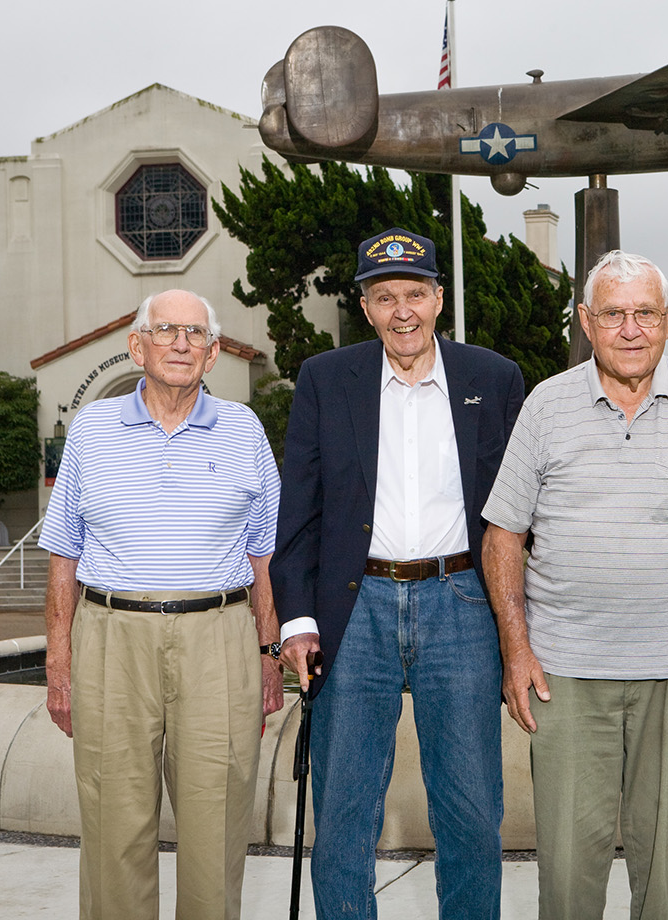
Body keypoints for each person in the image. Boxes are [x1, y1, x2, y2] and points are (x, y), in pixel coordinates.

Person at [482, 249, 668, 920]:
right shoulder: (547, 405)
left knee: (666, 873)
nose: (630, 329)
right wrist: (517, 651)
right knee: (568, 876)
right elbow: (502, 537)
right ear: (586, 322)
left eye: (645, 313)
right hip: (566, 676)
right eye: (613, 314)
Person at [271, 228, 524, 920]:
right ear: (365, 307)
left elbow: (520, 513)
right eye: (385, 297)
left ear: (439, 298)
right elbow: (299, 510)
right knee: (344, 813)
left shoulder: (493, 378)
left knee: (472, 810)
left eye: (415, 293)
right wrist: (298, 621)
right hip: (356, 611)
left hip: (461, 602)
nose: (402, 310)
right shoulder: (326, 379)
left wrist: (520, 628)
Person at [41, 289, 284, 920]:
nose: (181, 343)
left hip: (219, 639)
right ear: (137, 346)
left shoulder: (244, 431)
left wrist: (268, 655)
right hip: (111, 640)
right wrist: (59, 662)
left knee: (217, 827)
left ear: (212, 353)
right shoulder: (91, 428)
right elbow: (63, 554)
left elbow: (264, 556)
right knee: (112, 830)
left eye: (196, 333)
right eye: (166, 330)